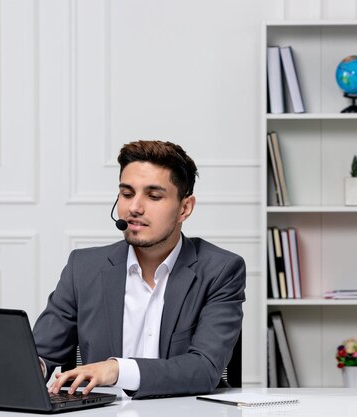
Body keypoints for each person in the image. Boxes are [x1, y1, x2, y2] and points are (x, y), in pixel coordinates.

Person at [32, 140, 246, 399]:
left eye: (154, 196)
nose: (134, 208)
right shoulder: (83, 267)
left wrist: (116, 369)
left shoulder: (221, 270)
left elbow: (204, 368)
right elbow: (40, 353)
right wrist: (28, 369)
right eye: (127, 194)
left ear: (184, 208)